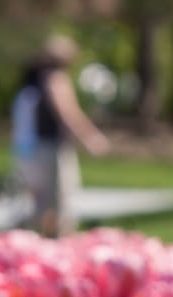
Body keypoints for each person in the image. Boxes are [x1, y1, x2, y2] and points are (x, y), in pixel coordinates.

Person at [11, 34, 110, 237]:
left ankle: (26, 240)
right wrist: (90, 137)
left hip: (29, 149)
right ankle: (55, 244)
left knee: (37, 200)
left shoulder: (33, 79)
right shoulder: (56, 78)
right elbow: (67, 112)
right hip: (50, 149)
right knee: (61, 200)